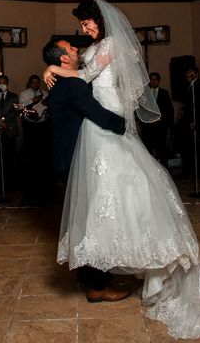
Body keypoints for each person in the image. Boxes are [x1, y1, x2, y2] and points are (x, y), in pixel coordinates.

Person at [43, 0, 200, 339]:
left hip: (108, 115)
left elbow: (87, 74)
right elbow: (77, 67)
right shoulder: (94, 45)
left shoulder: (114, 43)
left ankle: (136, 258)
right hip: (96, 121)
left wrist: (54, 70)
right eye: (82, 26)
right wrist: (56, 66)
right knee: (104, 191)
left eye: (88, 24)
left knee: (125, 184)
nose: (84, 30)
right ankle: (106, 257)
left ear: (102, 21)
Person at [43, 38, 129, 300]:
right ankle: (97, 287)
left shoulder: (63, 80)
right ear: (63, 59)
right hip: (73, 159)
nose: (76, 49)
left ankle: (88, 275)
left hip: (67, 157)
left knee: (83, 219)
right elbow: (98, 115)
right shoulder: (71, 85)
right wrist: (127, 128)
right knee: (93, 220)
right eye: (70, 48)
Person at [19, 75, 52, 205]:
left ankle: (43, 185)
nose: (35, 84)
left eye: (37, 82)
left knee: (43, 157)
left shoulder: (45, 93)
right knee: (30, 156)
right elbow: (21, 108)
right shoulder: (24, 94)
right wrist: (34, 100)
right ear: (29, 83)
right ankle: (29, 186)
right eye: (33, 82)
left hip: (43, 128)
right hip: (30, 128)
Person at [181, 66, 200, 179]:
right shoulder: (189, 86)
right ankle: (191, 170)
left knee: (198, 148)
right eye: (187, 72)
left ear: (197, 74)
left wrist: (194, 121)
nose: (189, 74)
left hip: (197, 122)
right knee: (190, 148)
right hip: (189, 122)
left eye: (191, 72)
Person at [139, 72, 174, 167]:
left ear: (159, 81)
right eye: (152, 79)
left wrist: (168, 125)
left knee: (162, 150)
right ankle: (149, 169)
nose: (153, 81)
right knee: (148, 149)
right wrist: (148, 119)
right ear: (149, 81)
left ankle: (165, 171)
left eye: (156, 79)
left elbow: (169, 110)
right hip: (148, 127)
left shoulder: (164, 93)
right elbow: (140, 109)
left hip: (161, 127)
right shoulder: (144, 94)